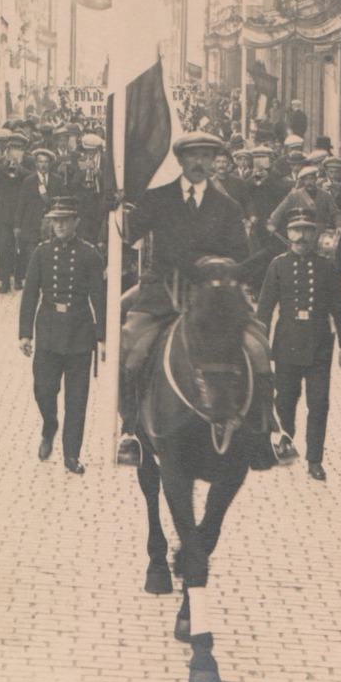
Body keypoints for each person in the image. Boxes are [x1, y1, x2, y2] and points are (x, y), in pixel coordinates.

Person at [119, 133, 265, 466]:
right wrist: (116, 205)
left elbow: (240, 254)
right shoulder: (159, 199)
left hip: (215, 298)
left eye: (206, 156)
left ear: (214, 162)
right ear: (181, 161)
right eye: (193, 156)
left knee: (258, 347)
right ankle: (131, 431)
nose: (199, 163)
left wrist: (219, 272)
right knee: (132, 347)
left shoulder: (227, 206)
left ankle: (266, 430)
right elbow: (130, 233)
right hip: (162, 293)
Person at [256, 208, 341, 480]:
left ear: (315, 234)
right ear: (287, 234)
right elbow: (264, 308)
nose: (301, 236)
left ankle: (314, 459)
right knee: (285, 400)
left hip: (320, 343)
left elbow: (338, 307)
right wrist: (258, 343)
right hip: (287, 343)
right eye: (296, 230)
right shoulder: (278, 265)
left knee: (319, 402)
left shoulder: (327, 266)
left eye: (307, 230)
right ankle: (286, 440)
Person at [18, 197, 106, 475]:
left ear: (76, 222)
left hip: (80, 333)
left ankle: (71, 454)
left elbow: (99, 298)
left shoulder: (90, 254)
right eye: (55, 220)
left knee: (77, 399)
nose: (59, 225)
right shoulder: (41, 253)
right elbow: (30, 294)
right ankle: (49, 425)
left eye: (65, 220)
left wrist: (102, 337)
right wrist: (25, 334)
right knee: (43, 390)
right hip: (49, 331)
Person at [0, 133, 31, 294]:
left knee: (20, 247)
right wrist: (5, 165)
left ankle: (18, 278)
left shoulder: (29, 162)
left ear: (24, 150)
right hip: (4, 213)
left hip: (22, 212)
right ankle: (3, 279)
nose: (16, 152)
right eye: (13, 148)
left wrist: (20, 168)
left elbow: (34, 178)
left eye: (19, 149)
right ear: (8, 150)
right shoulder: (1, 163)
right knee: (5, 246)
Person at [13, 145, 61, 269]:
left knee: (49, 257)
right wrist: (17, 225)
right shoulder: (28, 181)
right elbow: (21, 203)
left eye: (46, 162)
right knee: (31, 257)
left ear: (50, 164)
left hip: (51, 226)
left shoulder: (57, 180)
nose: (43, 165)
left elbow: (63, 201)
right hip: (31, 224)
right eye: (40, 162)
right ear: (36, 163)